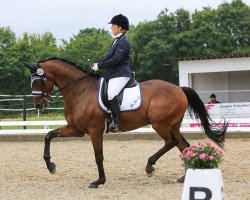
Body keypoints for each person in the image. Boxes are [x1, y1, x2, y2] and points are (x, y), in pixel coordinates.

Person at [91, 14, 133, 132]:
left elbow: (116, 59)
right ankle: (108, 118)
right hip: (113, 74)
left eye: (113, 25)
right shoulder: (116, 41)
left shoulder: (123, 41)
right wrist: (97, 64)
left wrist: (100, 65)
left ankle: (117, 123)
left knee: (111, 93)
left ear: (119, 28)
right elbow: (109, 58)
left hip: (121, 73)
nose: (111, 28)